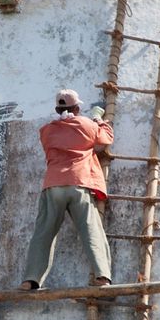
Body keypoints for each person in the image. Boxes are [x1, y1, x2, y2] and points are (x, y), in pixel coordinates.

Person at [19, 88, 113, 290]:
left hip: (53, 185)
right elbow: (105, 139)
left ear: (57, 109)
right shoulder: (86, 125)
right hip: (78, 183)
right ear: (77, 108)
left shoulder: (47, 131)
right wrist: (98, 118)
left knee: (43, 233)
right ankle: (102, 276)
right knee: (91, 230)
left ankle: (30, 279)